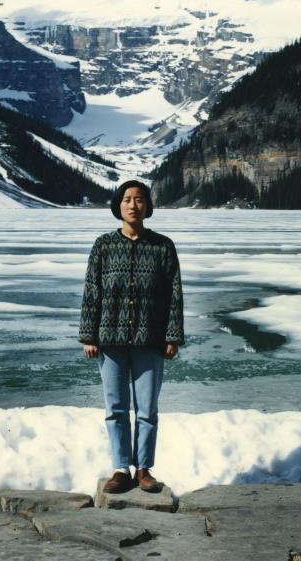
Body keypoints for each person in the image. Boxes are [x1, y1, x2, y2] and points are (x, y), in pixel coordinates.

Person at [79, 179, 184, 494]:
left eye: (139, 199)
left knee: (148, 409)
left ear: (148, 206)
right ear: (118, 205)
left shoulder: (163, 246)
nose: (133, 205)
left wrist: (173, 335)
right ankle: (120, 468)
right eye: (127, 199)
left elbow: (174, 294)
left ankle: (144, 469)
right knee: (116, 408)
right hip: (109, 338)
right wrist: (88, 335)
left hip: (150, 339)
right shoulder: (103, 245)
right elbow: (91, 292)